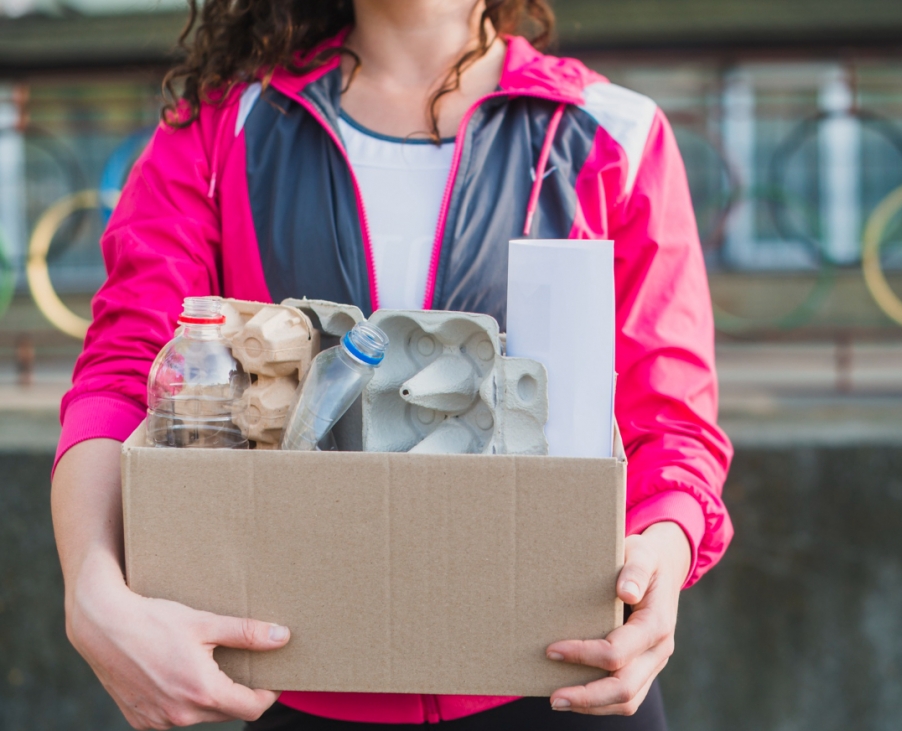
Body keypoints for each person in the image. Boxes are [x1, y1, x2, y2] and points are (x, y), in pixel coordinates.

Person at [50, 0, 734, 728]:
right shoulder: (223, 129)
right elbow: (128, 373)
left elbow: (672, 420)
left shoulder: (614, 133)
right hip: (265, 674)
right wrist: (91, 586)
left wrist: (663, 547)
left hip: (557, 674)